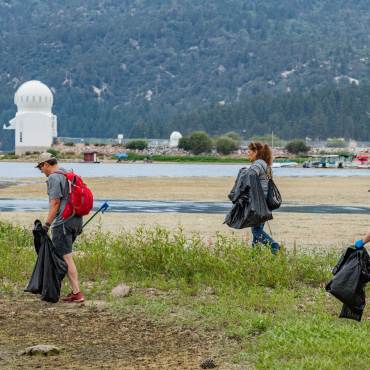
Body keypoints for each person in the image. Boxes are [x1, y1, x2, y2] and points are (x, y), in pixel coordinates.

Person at [36, 152, 84, 302]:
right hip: (76, 220)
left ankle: (77, 293)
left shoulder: (53, 177)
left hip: (63, 223)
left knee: (66, 257)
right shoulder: (67, 173)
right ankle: (67, 289)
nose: (41, 171)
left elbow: (55, 204)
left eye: (40, 167)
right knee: (63, 256)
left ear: (46, 164)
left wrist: (46, 225)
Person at [247, 142, 280, 253]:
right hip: (266, 202)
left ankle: (274, 245)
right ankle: (254, 256)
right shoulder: (266, 165)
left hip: (259, 202)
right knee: (258, 230)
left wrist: (243, 172)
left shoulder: (257, 164)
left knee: (256, 230)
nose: (248, 154)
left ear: (255, 152)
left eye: (249, 151)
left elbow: (251, 175)